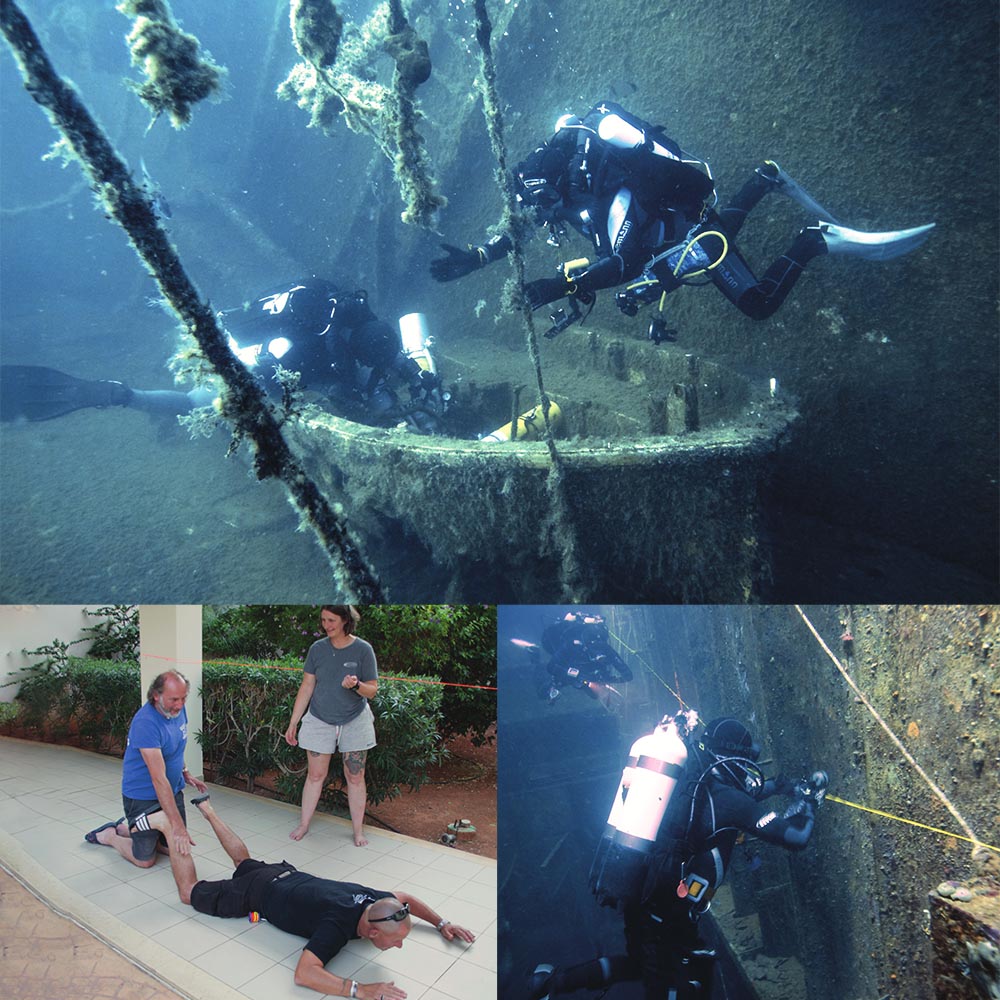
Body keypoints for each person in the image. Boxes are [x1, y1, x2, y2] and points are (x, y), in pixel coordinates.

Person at [430, 101, 934, 338]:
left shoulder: (611, 190)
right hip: (681, 236)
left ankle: (812, 240)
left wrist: (558, 287)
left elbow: (626, 262)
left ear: (555, 185)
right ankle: (763, 178)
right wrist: (479, 257)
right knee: (713, 234)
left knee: (754, 300)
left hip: (691, 239)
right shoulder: (567, 192)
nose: (544, 220)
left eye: (542, 207)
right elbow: (524, 225)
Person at [529, 711, 828, 999]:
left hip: (642, 898)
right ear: (734, 757)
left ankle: (553, 982)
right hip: (666, 916)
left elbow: (743, 796)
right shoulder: (730, 801)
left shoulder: (693, 783)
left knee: (639, 964)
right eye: (747, 758)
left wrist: (785, 785)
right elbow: (796, 837)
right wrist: (812, 802)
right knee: (681, 979)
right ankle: (555, 982)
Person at [138, 794, 476, 999]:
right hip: (256, 892)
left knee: (244, 862)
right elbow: (305, 973)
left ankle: (208, 810)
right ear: (372, 932)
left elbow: (404, 898)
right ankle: (169, 826)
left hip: (283, 873)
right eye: (396, 941)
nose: (400, 945)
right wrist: (360, 990)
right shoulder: (337, 926)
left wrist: (441, 922)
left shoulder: (374, 900)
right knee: (187, 893)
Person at [0, 278, 445, 431]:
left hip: (242, 320)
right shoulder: (314, 351)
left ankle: (160, 318)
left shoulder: (334, 301)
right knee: (204, 403)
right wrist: (373, 396)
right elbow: (297, 388)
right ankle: (118, 394)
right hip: (249, 363)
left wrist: (404, 369)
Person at [84, 670, 208, 891]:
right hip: (142, 795)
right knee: (145, 860)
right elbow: (158, 779)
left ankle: (129, 827)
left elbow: (177, 748)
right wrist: (177, 826)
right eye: (174, 699)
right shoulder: (146, 723)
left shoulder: (178, 710)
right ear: (156, 696)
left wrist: (185, 772)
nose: (179, 705)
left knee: (172, 848)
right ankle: (111, 835)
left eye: (183, 698)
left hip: (172, 791)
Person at [285, 605, 379, 846]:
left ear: (346, 620)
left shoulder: (363, 650)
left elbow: (373, 691)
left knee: (355, 776)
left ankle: (358, 831)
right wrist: (294, 722)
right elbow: (307, 686)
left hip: (354, 719)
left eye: (332, 620)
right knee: (315, 775)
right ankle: (304, 824)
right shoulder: (317, 649)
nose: (326, 625)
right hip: (319, 718)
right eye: (324, 620)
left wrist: (357, 685)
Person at [538, 610, 633, 702]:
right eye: (593, 643)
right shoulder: (571, 646)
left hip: (583, 673)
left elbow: (627, 674)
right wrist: (575, 674)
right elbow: (551, 667)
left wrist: (615, 679)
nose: (597, 648)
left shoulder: (604, 648)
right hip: (575, 669)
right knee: (581, 685)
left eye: (598, 642)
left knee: (590, 690)